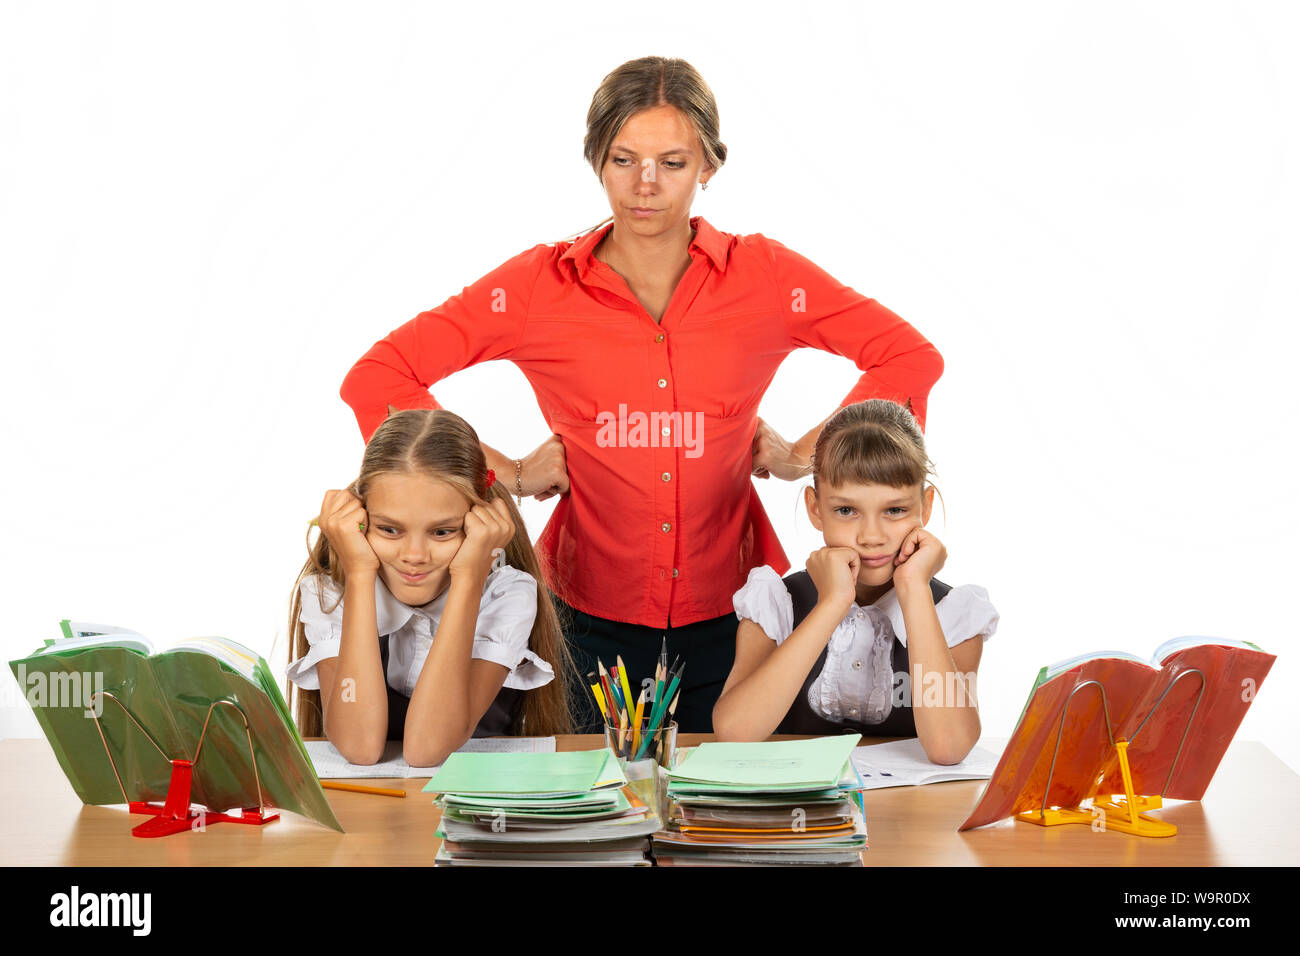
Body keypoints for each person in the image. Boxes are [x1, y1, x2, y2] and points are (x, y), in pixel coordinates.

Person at [337, 56, 943, 733]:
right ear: (597, 159)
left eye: (673, 162)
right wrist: (500, 473)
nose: (645, 184)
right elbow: (377, 378)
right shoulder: (538, 287)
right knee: (588, 816)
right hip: (581, 621)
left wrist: (811, 455)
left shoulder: (767, 278)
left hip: (739, 617)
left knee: (725, 817)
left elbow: (908, 357)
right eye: (624, 159)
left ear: (710, 166)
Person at [712, 400, 997, 764]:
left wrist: (913, 590)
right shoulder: (777, 601)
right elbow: (735, 733)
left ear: (925, 507)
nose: (871, 536)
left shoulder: (955, 613)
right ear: (816, 508)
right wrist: (832, 603)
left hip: (909, 815)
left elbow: (949, 747)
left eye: (894, 510)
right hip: (802, 813)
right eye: (846, 511)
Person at [286, 409, 573, 766]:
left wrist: (469, 578)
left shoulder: (504, 595)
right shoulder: (332, 592)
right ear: (360, 521)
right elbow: (359, 746)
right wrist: (359, 573)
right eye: (390, 529)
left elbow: (426, 749)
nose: (415, 556)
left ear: (478, 524)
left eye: (442, 532)